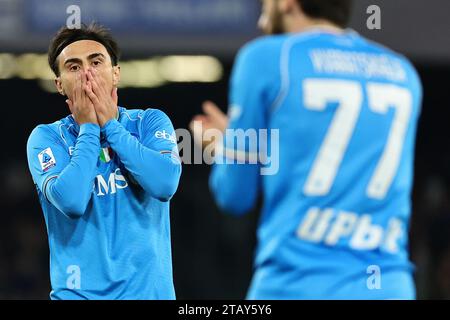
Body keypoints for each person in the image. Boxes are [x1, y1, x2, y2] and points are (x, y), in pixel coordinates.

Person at [190, 0, 422, 299]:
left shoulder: (266, 58)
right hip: (389, 287)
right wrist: (240, 139)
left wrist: (225, 149)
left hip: (299, 283)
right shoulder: (402, 72)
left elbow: (235, 196)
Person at [26, 23, 181, 300]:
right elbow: (72, 201)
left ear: (115, 74)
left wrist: (111, 126)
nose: (87, 73)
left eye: (96, 62)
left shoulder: (149, 122)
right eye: (73, 67)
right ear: (60, 85)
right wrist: (88, 129)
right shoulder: (47, 138)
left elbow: (164, 183)